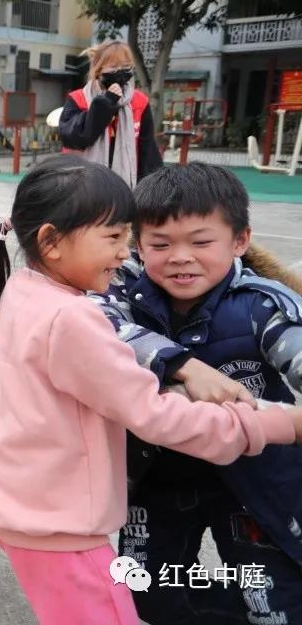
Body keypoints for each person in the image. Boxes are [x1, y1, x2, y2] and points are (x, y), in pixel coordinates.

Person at [0, 155, 302, 625]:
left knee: (260, 591)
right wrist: (276, 420)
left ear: (240, 240)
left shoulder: (19, 291)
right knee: (142, 600)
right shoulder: (90, 308)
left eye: (200, 242)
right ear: (52, 242)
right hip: (110, 502)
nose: (128, 255)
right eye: (131, 240)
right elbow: (151, 408)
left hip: (240, 486)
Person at [92, 162, 302, 624]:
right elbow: (91, 325)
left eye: (201, 242)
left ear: (240, 240)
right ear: (137, 244)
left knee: (273, 601)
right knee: (148, 592)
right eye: (160, 244)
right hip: (157, 479)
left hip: (253, 480)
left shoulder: (262, 303)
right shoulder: (119, 290)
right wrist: (180, 364)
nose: (180, 257)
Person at [59, 40, 161, 188]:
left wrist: (148, 187)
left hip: (126, 184)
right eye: (113, 67)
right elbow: (74, 137)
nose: (120, 72)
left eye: (126, 67)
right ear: (98, 70)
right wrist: (105, 103)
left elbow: (147, 148)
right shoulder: (78, 99)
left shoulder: (139, 101)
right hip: (81, 184)